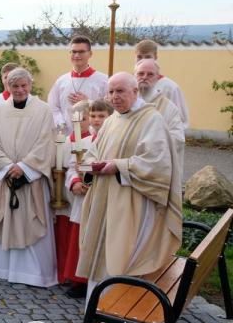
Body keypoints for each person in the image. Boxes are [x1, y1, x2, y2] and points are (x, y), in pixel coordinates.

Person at [76, 73, 183, 300]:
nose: (114, 97)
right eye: (111, 91)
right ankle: (97, 308)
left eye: (120, 91)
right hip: (104, 198)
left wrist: (118, 166)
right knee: (102, 252)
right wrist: (88, 165)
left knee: (120, 253)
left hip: (132, 201)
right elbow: (94, 152)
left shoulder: (151, 120)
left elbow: (157, 162)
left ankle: (117, 308)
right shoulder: (112, 120)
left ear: (135, 91)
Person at [0, 68, 57, 287]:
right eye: (14, 86)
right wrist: (7, 166)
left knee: (31, 220)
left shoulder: (43, 110)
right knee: (5, 218)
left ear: (30, 85)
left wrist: (25, 167)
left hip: (31, 179)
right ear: (8, 87)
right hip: (6, 176)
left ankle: (34, 273)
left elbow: (47, 141)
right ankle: (3, 269)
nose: (19, 90)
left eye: (24, 85)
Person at [58, 99, 113, 298]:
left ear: (110, 118)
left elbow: (106, 166)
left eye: (102, 116)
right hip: (83, 196)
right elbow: (73, 166)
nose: (97, 120)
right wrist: (74, 183)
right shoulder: (83, 142)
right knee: (80, 238)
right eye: (93, 116)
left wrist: (91, 171)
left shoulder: (114, 140)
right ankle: (78, 280)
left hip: (104, 196)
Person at [47, 36, 108, 135]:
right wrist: (61, 123)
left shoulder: (103, 80)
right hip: (66, 135)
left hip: (93, 136)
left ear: (90, 54)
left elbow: (108, 108)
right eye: (74, 52)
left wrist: (88, 102)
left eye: (81, 52)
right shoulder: (61, 81)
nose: (77, 55)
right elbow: (53, 107)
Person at [135, 59, 185, 175]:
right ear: (134, 76)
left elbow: (178, 138)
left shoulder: (168, 107)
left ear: (157, 78)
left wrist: (148, 148)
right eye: (140, 73)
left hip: (157, 169)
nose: (144, 77)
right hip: (127, 169)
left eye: (150, 74)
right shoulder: (125, 103)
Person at [134, 39, 189, 128]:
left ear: (155, 58)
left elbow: (181, 120)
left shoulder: (170, 87)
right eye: (139, 57)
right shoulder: (128, 84)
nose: (143, 60)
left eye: (148, 57)